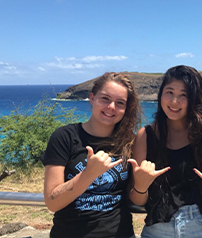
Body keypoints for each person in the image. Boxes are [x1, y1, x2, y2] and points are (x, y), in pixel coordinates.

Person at [129, 65, 202, 238]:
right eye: (169, 92)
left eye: (184, 95)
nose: (174, 101)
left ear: (194, 99)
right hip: (157, 228)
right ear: (160, 95)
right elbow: (137, 200)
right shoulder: (146, 135)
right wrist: (141, 187)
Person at [42, 72, 141, 238]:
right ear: (92, 98)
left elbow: (134, 194)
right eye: (105, 99)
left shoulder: (130, 142)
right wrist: (89, 174)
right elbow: (52, 202)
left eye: (120, 103)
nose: (111, 107)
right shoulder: (65, 137)